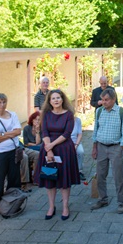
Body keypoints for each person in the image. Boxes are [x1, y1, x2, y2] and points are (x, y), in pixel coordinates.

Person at [33, 89, 80, 220]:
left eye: (58, 98)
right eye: (53, 98)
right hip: (48, 150)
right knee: (50, 178)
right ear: (49, 101)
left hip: (64, 149)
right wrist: (48, 150)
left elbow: (66, 134)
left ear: (62, 99)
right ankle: (51, 206)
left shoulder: (69, 114)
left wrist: (51, 146)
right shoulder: (46, 114)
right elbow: (45, 132)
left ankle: (65, 206)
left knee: (64, 179)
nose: (56, 100)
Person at [91, 88, 123, 214]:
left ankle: (121, 202)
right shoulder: (99, 111)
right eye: (102, 100)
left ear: (113, 100)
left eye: (106, 100)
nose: (104, 102)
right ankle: (103, 199)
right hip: (101, 146)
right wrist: (94, 146)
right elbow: (96, 129)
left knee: (118, 175)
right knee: (101, 175)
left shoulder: (121, 112)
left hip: (115, 147)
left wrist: (121, 147)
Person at [0, 93, 22, 219]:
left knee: (14, 179)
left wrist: (3, 135)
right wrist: (10, 134)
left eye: (4, 102)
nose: (2, 105)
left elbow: (18, 131)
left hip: (13, 151)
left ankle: (11, 205)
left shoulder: (13, 115)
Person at [71, 115, 86, 181]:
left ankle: (79, 171)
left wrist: (76, 145)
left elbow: (80, 134)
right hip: (66, 142)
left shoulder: (77, 120)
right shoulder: (63, 120)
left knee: (81, 152)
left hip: (76, 141)